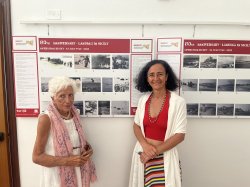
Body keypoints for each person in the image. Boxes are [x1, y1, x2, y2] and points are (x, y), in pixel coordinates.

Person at [129, 60, 187, 187]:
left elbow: (180, 135)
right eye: (151, 75)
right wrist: (145, 146)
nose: (156, 78)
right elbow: (136, 126)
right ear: (147, 78)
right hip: (143, 155)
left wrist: (153, 152)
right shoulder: (143, 100)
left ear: (166, 77)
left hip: (164, 157)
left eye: (160, 74)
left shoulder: (178, 102)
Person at [32, 76, 97, 187]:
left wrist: (87, 149)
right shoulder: (46, 119)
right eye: (62, 96)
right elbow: (37, 157)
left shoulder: (75, 113)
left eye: (70, 95)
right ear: (53, 98)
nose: (68, 101)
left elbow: (76, 142)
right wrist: (67, 161)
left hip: (77, 173)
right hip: (56, 177)